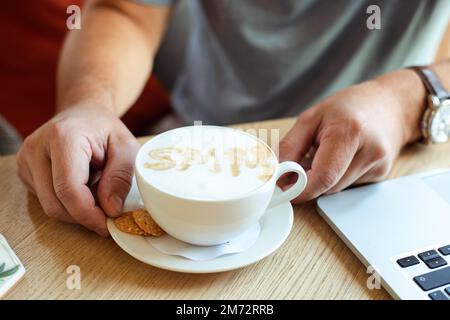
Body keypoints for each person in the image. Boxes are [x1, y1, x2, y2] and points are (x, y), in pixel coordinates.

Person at [16, 0, 450, 237]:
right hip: (190, 152)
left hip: (387, 175)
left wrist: (409, 99)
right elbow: (126, 11)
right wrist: (89, 100)